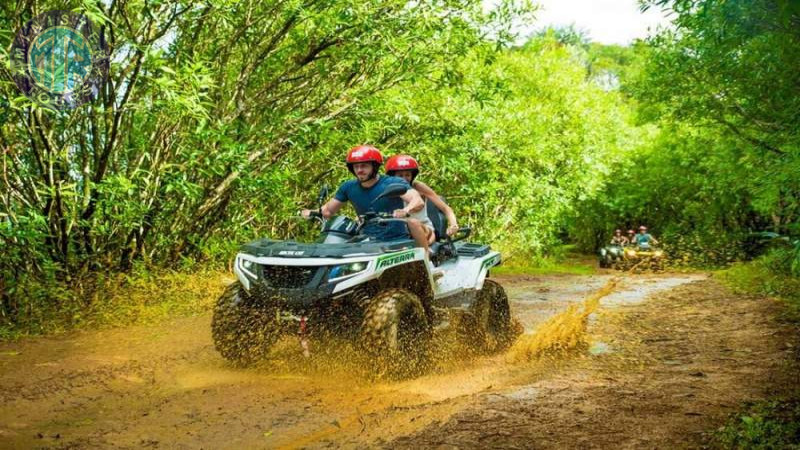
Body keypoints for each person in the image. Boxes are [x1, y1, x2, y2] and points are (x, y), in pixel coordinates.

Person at [301, 145, 426, 244]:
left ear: (374, 167)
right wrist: (311, 212)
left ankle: (427, 262)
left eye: (364, 166)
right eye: (356, 166)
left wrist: (406, 210)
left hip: (395, 240)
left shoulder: (392, 182)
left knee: (413, 223)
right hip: (365, 240)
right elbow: (328, 211)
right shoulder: (348, 187)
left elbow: (417, 200)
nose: (360, 170)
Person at [385, 155, 460, 246]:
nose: (404, 178)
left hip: (424, 230)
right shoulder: (386, 189)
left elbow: (445, 208)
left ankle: (427, 255)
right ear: (393, 176)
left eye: (407, 175)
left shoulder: (418, 187)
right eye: (400, 175)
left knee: (413, 226)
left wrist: (453, 224)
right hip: (399, 233)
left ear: (412, 176)